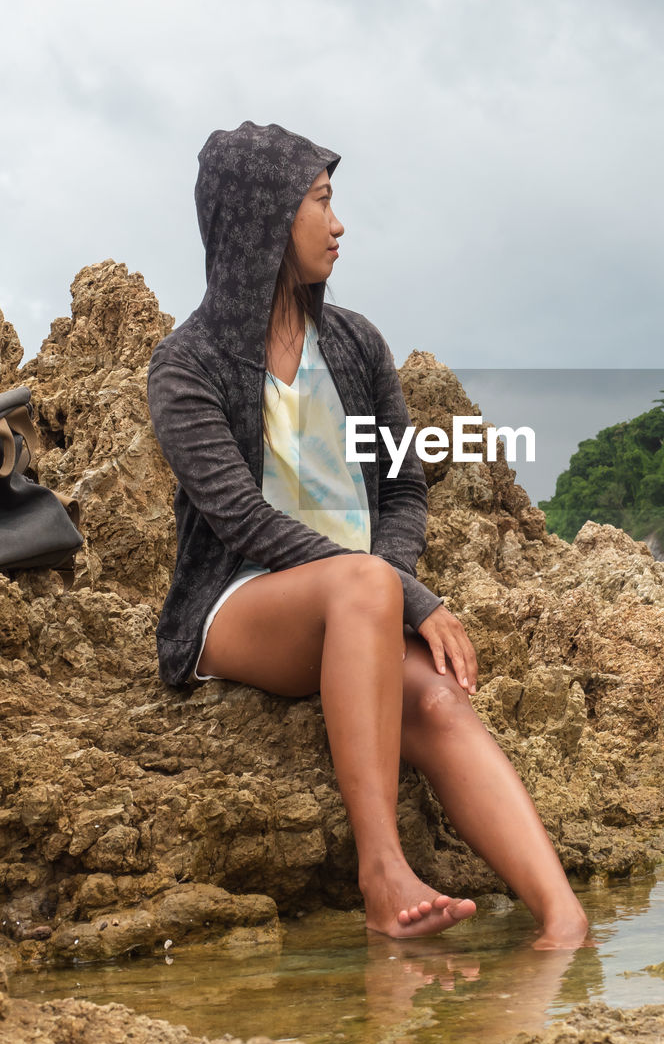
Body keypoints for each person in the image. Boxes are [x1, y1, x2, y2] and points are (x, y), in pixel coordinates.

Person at [146, 120, 589, 947]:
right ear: (263, 218)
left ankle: (562, 924)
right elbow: (238, 517)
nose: (338, 223)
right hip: (238, 607)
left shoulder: (353, 345)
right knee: (363, 584)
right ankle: (382, 872)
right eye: (320, 203)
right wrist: (401, 592)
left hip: (361, 600)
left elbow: (403, 485)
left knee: (438, 700)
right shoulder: (188, 364)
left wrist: (388, 585)